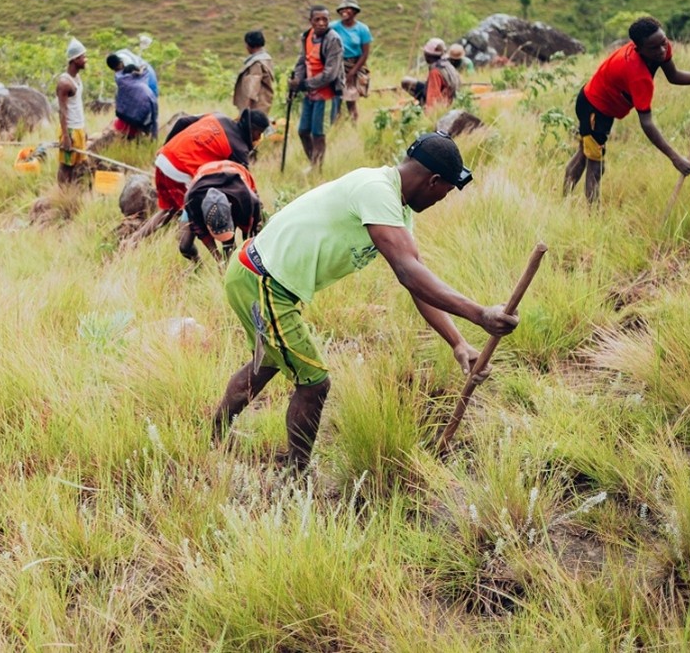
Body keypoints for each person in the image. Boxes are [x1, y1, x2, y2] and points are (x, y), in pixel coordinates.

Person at [212, 132, 520, 471]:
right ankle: (296, 477)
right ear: (433, 181)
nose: (441, 199)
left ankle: (213, 438)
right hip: (262, 280)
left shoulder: (396, 208)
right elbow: (408, 273)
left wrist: (458, 343)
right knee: (314, 382)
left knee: (268, 363)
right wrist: (480, 314)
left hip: (262, 277)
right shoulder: (376, 190)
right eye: (445, 192)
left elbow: (417, 281)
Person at [563, 15, 690, 204]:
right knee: (596, 165)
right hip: (594, 108)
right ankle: (591, 216)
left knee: (585, 153)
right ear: (639, 49)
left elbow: (673, 76)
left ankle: (564, 201)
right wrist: (675, 158)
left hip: (603, 103)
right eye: (654, 48)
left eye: (663, 43)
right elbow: (646, 123)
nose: (662, 50)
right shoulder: (637, 74)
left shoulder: (660, 46)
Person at [153, 109, 270, 213]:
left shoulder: (218, 116)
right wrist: (260, 210)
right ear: (252, 130)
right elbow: (247, 186)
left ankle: (142, 232)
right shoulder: (239, 148)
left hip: (163, 158)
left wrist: (165, 148)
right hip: (179, 170)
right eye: (259, 134)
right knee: (195, 215)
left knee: (169, 211)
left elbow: (182, 121)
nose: (258, 138)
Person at [289, 5, 344, 172]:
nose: (321, 23)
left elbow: (330, 74)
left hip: (326, 94)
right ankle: (313, 164)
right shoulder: (307, 36)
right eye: (317, 19)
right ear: (310, 21)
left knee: (318, 133)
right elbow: (302, 62)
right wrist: (297, 81)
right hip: (310, 94)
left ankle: (317, 169)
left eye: (325, 19)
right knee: (303, 131)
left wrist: (305, 84)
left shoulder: (333, 40)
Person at [179, 159, 262, 264]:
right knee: (185, 246)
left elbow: (250, 234)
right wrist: (218, 259)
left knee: (236, 244)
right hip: (204, 177)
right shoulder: (192, 201)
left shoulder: (247, 200)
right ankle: (199, 266)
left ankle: (231, 261)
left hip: (236, 174)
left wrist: (247, 259)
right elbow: (201, 232)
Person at [330, 0, 373, 123]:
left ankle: (354, 126)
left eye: (348, 8)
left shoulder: (362, 29)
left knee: (350, 99)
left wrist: (352, 72)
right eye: (342, 9)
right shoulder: (333, 27)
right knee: (336, 98)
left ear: (354, 11)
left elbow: (365, 53)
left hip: (354, 64)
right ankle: (335, 125)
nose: (344, 11)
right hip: (338, 64)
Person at [57, 38, 89, 185]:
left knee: (78, 164)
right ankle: (61, 193)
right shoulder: (64, 83)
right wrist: (66, 136)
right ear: (75, 60)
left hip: (78, 128)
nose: (86, 60)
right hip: (70, 130)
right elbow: (62, 111)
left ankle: (72, 191)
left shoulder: (77, 78)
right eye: (83, 57)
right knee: (66, 165)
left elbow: (77, 105)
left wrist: (83, 129)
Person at [107, 52, 158, 139]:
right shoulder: (130, 75)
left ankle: (136, 137)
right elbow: (143, 70)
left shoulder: (121, 77)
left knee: (130, 120)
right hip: (150, 100)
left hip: (140, 106)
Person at [401, 38, 461, 113]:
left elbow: (432, 97)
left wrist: (428, 114)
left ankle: (422, 104)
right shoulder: (447, 65)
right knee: (407, 81)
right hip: (451, 99)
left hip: (442, 103)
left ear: (428, 55)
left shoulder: (435, 72)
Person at [232, 30, 275, 115]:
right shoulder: (266, 59)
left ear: (249, 44)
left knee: (253, 122)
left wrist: (247, 107)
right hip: (264, 102)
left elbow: (253, 86)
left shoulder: (256, 63)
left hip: (255, 105)